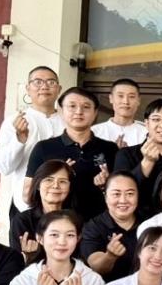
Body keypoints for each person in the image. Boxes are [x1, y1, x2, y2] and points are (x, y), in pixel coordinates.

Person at [27, 88, 113, 221]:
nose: (79, 112)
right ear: (61, 111)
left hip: (98, 224)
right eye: (72, 106)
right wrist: (59, 174)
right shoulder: (44, 148)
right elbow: (28, 194)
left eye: (86, 107)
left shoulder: (110, 148)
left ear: (95, 113)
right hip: (56, 224)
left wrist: (107, 184)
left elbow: (121, 191)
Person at [0, 67, 64, 218]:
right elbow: (4, 168)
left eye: (51, 82)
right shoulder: (14, 121)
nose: (44, 87)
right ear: (28, 88)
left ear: (59, 89)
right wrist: (19, 140)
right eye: (38, 82)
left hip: (64, 204)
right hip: (24, 205)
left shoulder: (68, 121)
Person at [112, 98, 162, 195]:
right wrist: (148, 161)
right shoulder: (125, 154)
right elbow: (122, 192)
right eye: (156, 119)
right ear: (146, 123)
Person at [81, 172, 142, 280]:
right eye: (116, 194)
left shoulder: (149, 223)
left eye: (130, 194)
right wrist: (110, 256)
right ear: (106, 196)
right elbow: (95, 266)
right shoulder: (93, 227)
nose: (123, 200)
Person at [11, 162, 75, 263]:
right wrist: (28, 257)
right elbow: (15, 264)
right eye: (49, 180)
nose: (55, 186)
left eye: (62, 181)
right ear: (38, 185)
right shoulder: (22, 221)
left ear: (70, 187)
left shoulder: (77, 220)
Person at [92, 79, 147, 147]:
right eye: (120, 96)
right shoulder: (95, 132)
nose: (126, 101)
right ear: (111, 98)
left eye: (131, 97)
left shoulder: (147, 133)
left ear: (138, 100)